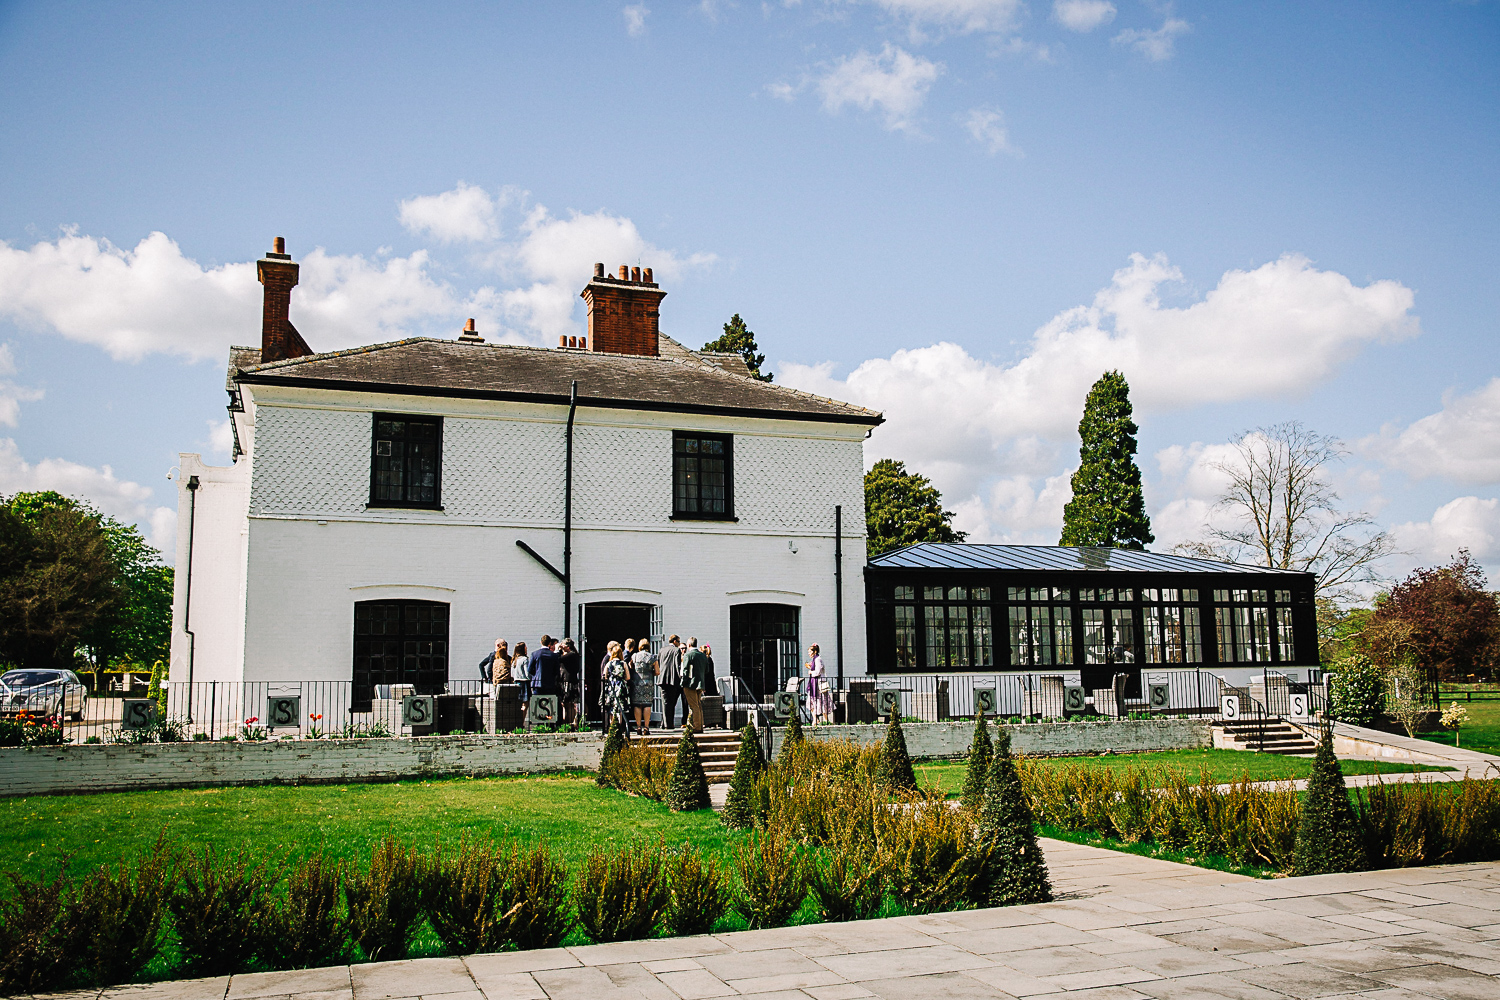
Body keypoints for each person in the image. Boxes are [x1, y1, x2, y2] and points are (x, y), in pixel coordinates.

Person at [601, 641, 631, 736]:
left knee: (611, 708)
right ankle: (620, 727)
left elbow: (604, 676)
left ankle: (612, 728)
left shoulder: (609, 664)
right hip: (621, 687)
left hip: (611, 687)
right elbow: (628, 677)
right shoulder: (623, 663)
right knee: (620, 708)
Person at [630, 638, 658, 736]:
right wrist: (651, 673)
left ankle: (638, 727)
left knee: (637, 704)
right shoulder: (652, 657)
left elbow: (631, 667)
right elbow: (657, 671)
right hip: (648, 683)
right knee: (647, 704)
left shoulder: (634, 656)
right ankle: (646, 727)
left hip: (637, 682)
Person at [682, 637, 709, 733]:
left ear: (689, 645)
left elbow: (685, 670)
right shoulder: (702, 656)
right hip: (700, 682)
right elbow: (707, 670)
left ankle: (696, 727)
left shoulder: (688, 655)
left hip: (690, 683)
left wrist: (683, 682)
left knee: (693, 706)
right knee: (698, 705)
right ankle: (699, 725)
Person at [658, 634, 683, 729]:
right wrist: (680, 677)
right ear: (675, 641)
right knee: (671, 702)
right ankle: (669, 724)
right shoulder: (676, 650)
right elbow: (677, 665)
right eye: (679, 641)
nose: (679, 644)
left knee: (665, 702)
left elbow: (660, 662)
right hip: (672, 679)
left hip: (662, 678)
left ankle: (664, 723)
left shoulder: (662, 649)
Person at [806, 643, 833, 724]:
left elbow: (818, 672)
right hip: (813, 683)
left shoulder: (818, 659)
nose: (809, 653)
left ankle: (825, 719)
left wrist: (811, 671)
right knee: (812, 701)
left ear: (814, 651)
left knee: (822, 700)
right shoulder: (814, 660)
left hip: (818, 684)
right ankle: (815, 719)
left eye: (810, 651)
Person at [558, 637, 581, 726]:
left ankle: (570, 722)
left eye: (563, 644)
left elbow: (559, 659)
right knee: (565, 704)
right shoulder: (570, 654)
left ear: (568, 646)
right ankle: (567, 722)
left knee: (569, 703)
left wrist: (557, 650)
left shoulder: (571, 655)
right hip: (565, 681)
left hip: (569, 681)